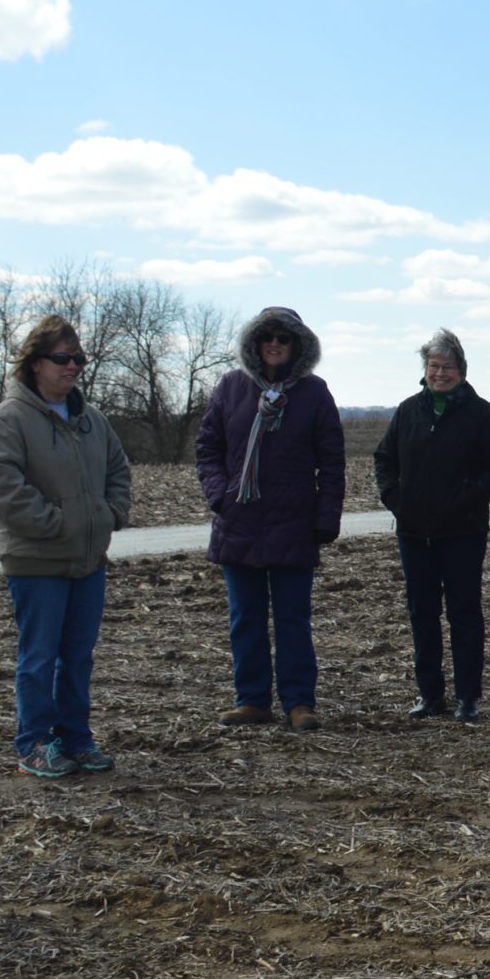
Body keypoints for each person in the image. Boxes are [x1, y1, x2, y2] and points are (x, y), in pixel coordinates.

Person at [0, 316, 133, 777]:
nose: (73, 366)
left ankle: (75, 739)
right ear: (35, 363)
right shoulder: (7, 420)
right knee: (39, 657)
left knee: (78, 656)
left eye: (78, 358)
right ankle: (35, 743)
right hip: (36, 561)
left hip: (87, 560)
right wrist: (57, 524)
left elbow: (118, 472)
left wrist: (110, 515)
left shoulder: (92, 420)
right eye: (63, 358)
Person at [194, 308, 344, 730]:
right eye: (266, 337)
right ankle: (252, 700)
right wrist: (221, 496)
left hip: (294, 524)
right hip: (238, 523)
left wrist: (325, 517)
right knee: (246, 618)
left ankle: (299, 702)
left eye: (284, 337)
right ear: (255, 343)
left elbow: (332, 462)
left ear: (298, 346)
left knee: (293, 619)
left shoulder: (314, 393)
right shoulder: (230, 387)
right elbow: (207, 448)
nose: (274, 343)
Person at [375, 330, 490, 720]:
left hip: (463, 532)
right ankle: (430, 695)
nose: (439, 373)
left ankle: (469, 697)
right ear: (425, 370)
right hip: (415, 533)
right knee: (422, 613)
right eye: (433, 366)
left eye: (447, 367)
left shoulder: (479, 413)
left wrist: (468, 498)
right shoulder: (407, 411)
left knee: (464, 613)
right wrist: (396, 500)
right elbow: (384, 459)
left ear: (462, 371)